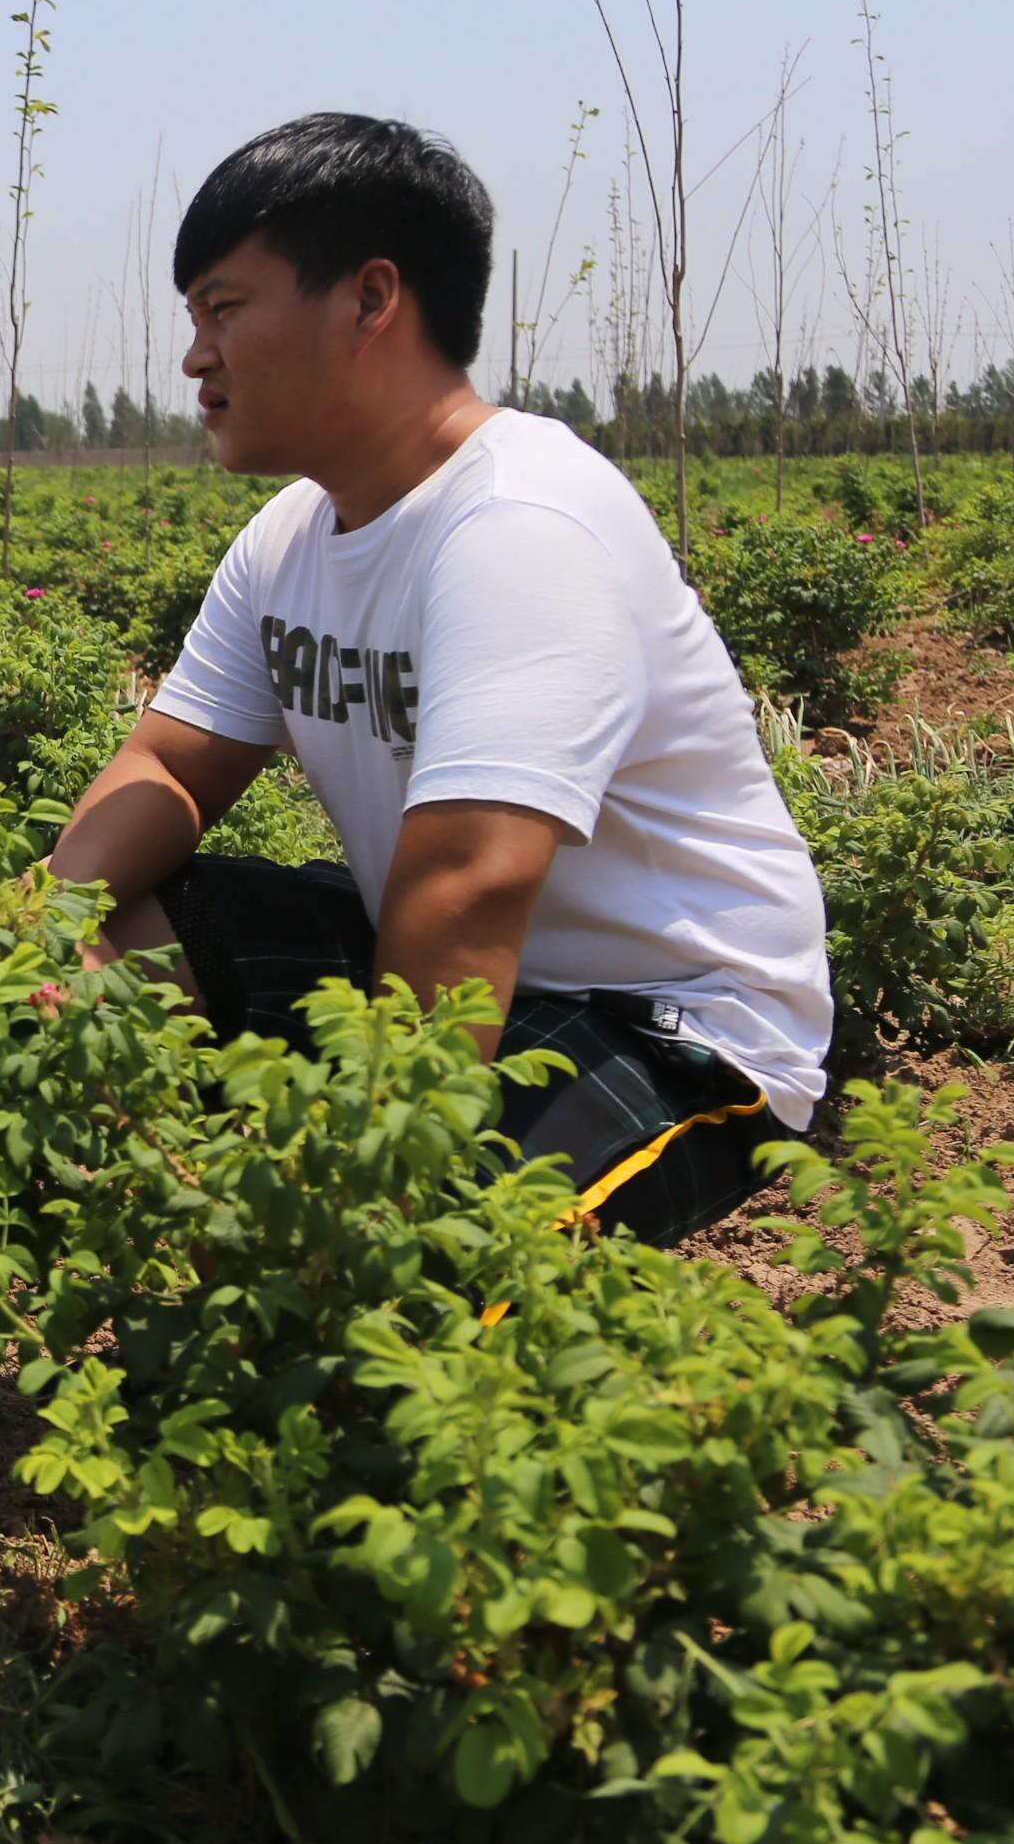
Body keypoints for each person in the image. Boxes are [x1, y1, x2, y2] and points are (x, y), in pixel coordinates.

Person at [42, 113, 831, 1243]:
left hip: (668, 1018)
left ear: (370, 299)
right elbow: (171, 761)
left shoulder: (520, 522)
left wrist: (368, 1193)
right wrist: (53, 929)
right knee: (130, 941)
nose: (195, 357)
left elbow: (468, 883)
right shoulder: (290, 536)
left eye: (224, 309)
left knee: (438, 1272)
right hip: (430, 962)